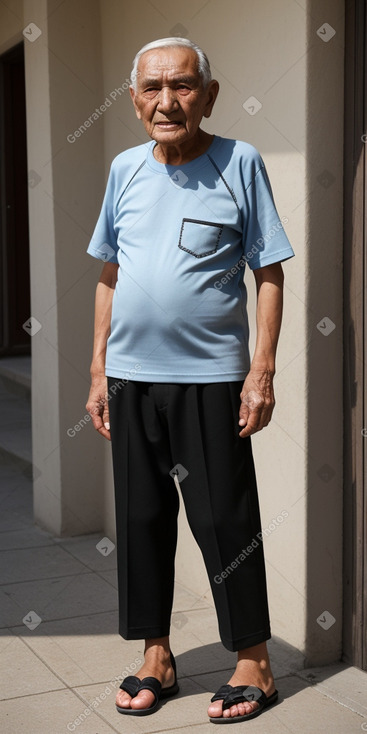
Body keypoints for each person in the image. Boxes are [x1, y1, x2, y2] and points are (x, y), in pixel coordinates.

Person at [86, 36, 295, 724]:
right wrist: (97, 369)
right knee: (142, 519)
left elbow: (267, 271)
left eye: (181, 87)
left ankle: (253, 663)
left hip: (210, 379)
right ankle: (156, 656)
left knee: (222, 520)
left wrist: (259, 371)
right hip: (128, 379)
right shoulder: (123, 168)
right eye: (151, 88)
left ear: (208, 94)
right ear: (134, 98)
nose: (166, 102)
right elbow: (109, 272)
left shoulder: (239, 162)